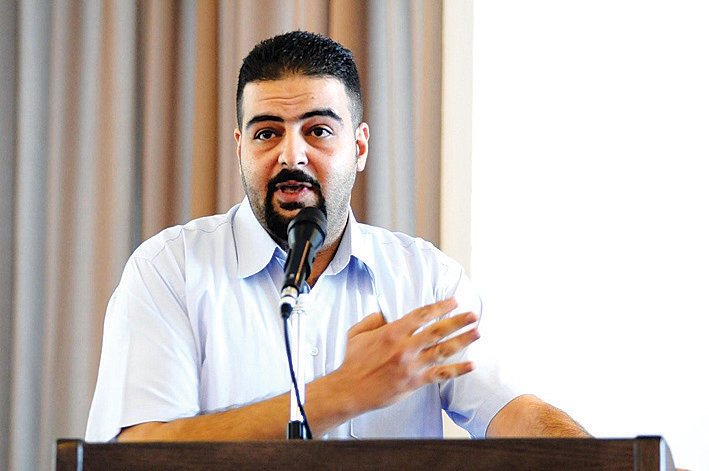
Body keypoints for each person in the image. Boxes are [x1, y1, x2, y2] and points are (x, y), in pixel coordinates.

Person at [85, 31, 588, 442]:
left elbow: (511, 412)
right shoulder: (168, 270)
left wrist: (598, 458)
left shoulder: (426, 279)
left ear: (359, 147)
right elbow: (136, 452)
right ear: (240, 148)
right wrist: (342, 393)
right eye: (267, 133)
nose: (291, 156)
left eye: (318, 131)